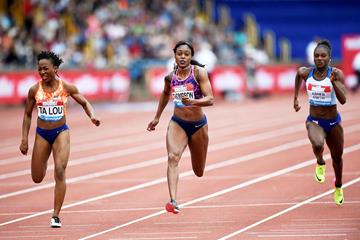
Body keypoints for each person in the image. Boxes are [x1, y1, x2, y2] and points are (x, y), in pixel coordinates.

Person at [19, 51, 101, 227]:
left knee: (60, 171)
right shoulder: (34, 90)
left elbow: (85, 102)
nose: (42, 72)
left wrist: (92, 116)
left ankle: (55, 215)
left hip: (61, 132)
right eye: (39, 69)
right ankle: (45, 157)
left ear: (55, 69)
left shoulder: (66, 87)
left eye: (46, 69)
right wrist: (24, 139)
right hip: (42, 133)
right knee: (37, 177)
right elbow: (27, 115)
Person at [147, 41, 214, 214]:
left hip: (198, 125)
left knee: (198, 171)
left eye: (186, 54)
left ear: (191, 56)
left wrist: (193, 101)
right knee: (172, 157)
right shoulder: (170, 77)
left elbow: (210, 99)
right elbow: (164, 94)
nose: (183, 57)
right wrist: (156, 118)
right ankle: (173, 201)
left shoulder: (199, 73)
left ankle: (176, 197)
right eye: (179, 54)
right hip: (178, 122)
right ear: (175, 56)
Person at [293, 40, 346, 205]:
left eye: (323, 56)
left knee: (337, 157)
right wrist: (295, 98)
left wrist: (333, 83)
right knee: (317, 144)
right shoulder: (305, 72)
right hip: (314, 120)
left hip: (333, 122)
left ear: (329, 58)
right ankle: (320, 161)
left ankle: (338, 186)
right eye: (316, 56)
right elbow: (298, 75)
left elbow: (343, 100)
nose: (319, 58)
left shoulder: (336, 74)